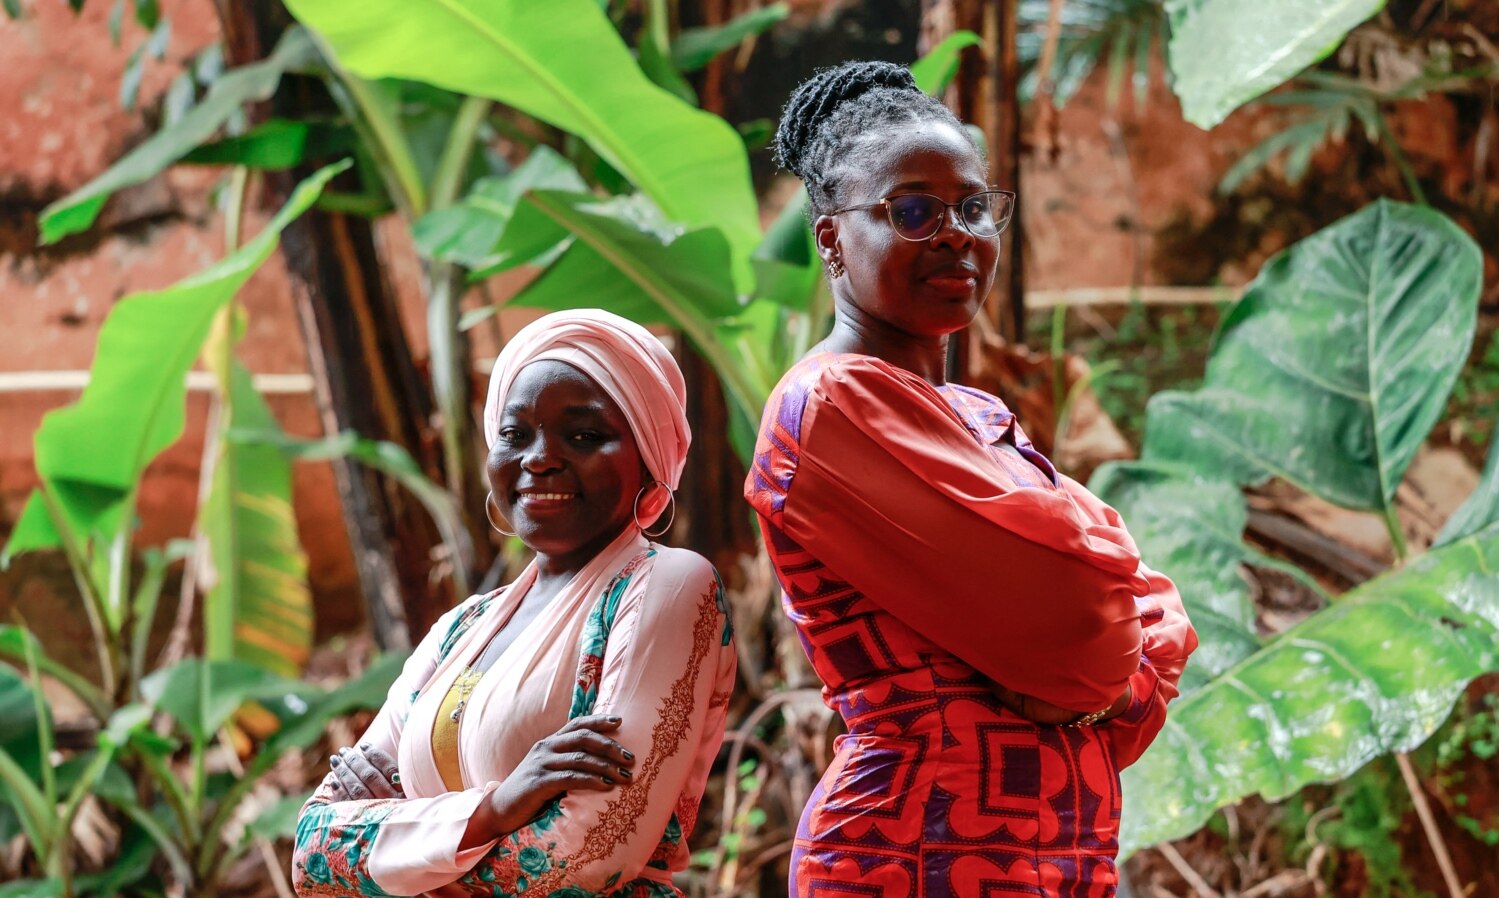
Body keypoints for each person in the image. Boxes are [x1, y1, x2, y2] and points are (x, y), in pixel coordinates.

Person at [744, 62, 1198, 897]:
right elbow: (1085, 621)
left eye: (972, 206)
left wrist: (1098, 662)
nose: (954, 233)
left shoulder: (978, 416)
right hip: (912, 853)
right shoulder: (833, 403)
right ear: (831, 238)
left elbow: (1154, 614)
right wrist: (1095, 595)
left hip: (1049, 858)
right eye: (912, 210)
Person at [293, 309, 738, 898]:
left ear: (649, 461)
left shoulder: (668, 585)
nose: (538, 458)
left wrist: (398, 852)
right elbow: (310, 850)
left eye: (583, 436)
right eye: (514, 434)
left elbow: (588, 856)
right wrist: (500, 807)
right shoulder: (462, 628)